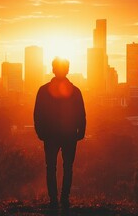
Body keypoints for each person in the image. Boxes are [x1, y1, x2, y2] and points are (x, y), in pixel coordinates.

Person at [34, 57, 86, 210]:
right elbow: (81, 114)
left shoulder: (44, 90)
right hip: (68, 135)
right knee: (66, 167)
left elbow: (37, 114)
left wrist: (40, 132)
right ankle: (63, 198)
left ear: (53, 69)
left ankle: (55, 200)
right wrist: (81, 131)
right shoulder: (75, 91)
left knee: (51, 167)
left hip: (52, 135)